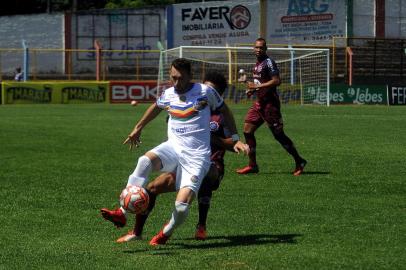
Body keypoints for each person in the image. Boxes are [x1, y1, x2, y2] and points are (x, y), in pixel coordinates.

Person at [101, 59, 247, 246]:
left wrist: (235, 137)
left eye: (180, 79)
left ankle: (165, 233)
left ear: (190, 76)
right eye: (173, 78)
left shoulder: (205, 91)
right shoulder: (169, 93)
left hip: (196, 157)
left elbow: (225, 109)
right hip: (173, 147)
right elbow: (156, 107)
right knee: (144, 161)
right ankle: (121, 213)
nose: (176, 83)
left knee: (181, 206)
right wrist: (138, 128)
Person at [236, 38, 307, 176]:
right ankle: (253, 165)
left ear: (266, 49)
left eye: (261, 48)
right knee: (247, 131)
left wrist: (257, 86)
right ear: (253, 48)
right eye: (256, 47)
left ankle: (300, 161)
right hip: (259, 104)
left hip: (270, 106)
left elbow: (276, 81)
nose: (258, 50)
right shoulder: (257, 65)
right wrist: (252, 90)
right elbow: (260, 82)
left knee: (279, 136)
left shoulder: (269, 62)